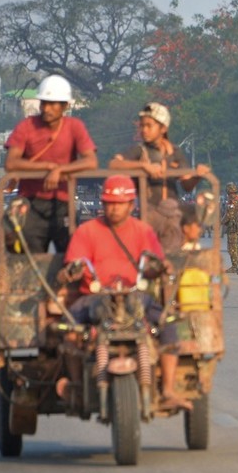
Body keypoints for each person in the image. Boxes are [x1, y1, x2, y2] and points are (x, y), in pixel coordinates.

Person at [58, 175, 191, 410]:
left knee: (169, 324)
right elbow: (74, 264)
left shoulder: (143, 231)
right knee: (68, 329)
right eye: (110, 203)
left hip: (134, 296)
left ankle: (168, 390)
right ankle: (77, 387)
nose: (114, 209)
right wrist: (71, 271)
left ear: (131, 205)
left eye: (120, 203)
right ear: (102, 204)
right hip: (94, 298)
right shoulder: (87, 231)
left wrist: (161, 267)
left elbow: (154, 263)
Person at [4, 74, 98, 252]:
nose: (47, 108)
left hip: (63, 203)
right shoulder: (27, 126)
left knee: (71, 256)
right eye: (44, 103)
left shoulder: (74, 127)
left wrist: (60, 170)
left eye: (53, 103)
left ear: (65, 106)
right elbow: (11, 163)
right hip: (31, 202)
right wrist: (48, 167)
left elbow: (91, 161)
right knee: (27, 257)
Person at [109, 102, 211, 206]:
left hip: (172, 213)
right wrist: (144, 166)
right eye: (142, 125)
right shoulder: (139, 150)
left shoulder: (175, 152)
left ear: (163, 128)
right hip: (149, 213)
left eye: (149, 126)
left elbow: (187, 186)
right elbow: (114, 164)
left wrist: (197, 176)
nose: (144, 130)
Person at [221, 182, 238, 273]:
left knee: (232, 247)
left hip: (233, 228)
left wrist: (221, 222)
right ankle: (235, 265)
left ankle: (234, 266)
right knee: (234, 246)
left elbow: (229, 215)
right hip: (236, 227)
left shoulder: (233, 202)